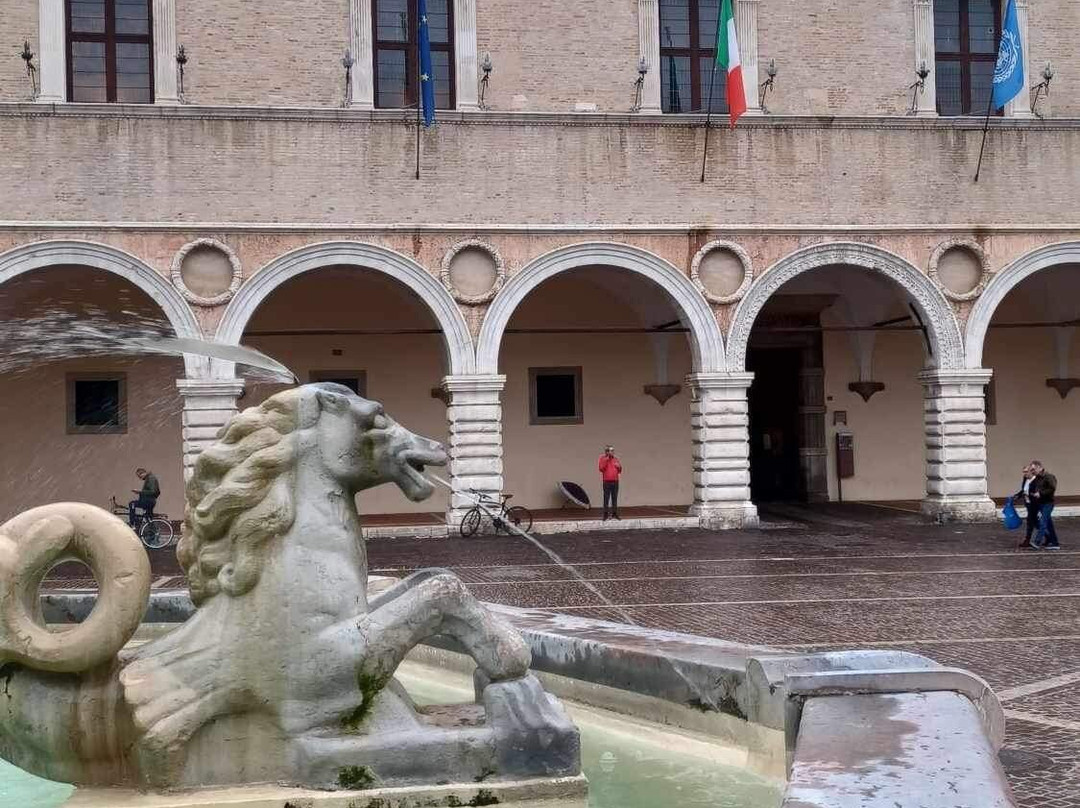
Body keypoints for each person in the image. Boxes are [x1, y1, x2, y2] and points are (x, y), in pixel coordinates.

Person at [1027, 460, 1059, 550]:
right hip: (1041, 503)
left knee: (1043, 522)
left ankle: (1037, 542)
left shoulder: (1049, 476)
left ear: (1039, 467)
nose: (1032, 472)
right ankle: (1055, 543)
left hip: (1048, 503)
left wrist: (1040, 493)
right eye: (1031, 470)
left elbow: (1052, 488)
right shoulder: (1037, 478)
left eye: (1033, 469)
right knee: (1049, 524)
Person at [1015, 463, 1040, 549]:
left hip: (1035, 504)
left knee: (1030, 522)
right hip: (1028, 504)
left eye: (1026, 471)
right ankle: (1048, 537)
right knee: (1036, 523)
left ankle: (1027, 540)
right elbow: (1023, 490)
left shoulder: (1036, 480)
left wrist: (1029, 494)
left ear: (1031, 471)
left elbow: (1036, 493)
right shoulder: (1025, 479)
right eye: (1024, 472)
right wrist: (1017, 495)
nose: (1025, 473)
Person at [598, 446, 622, 521]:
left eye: (613, 451)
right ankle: (605, 514)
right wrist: (607, 459)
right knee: (606, 498)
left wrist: (619, 467)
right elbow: (601, 469)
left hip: (615, 481)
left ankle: (614, 513)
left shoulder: (616, 459)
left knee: (614, 498)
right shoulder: (602, 459)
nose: (612, 452)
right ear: (606, 452)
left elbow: (620, 470)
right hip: (606, 481)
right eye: (610, 451)